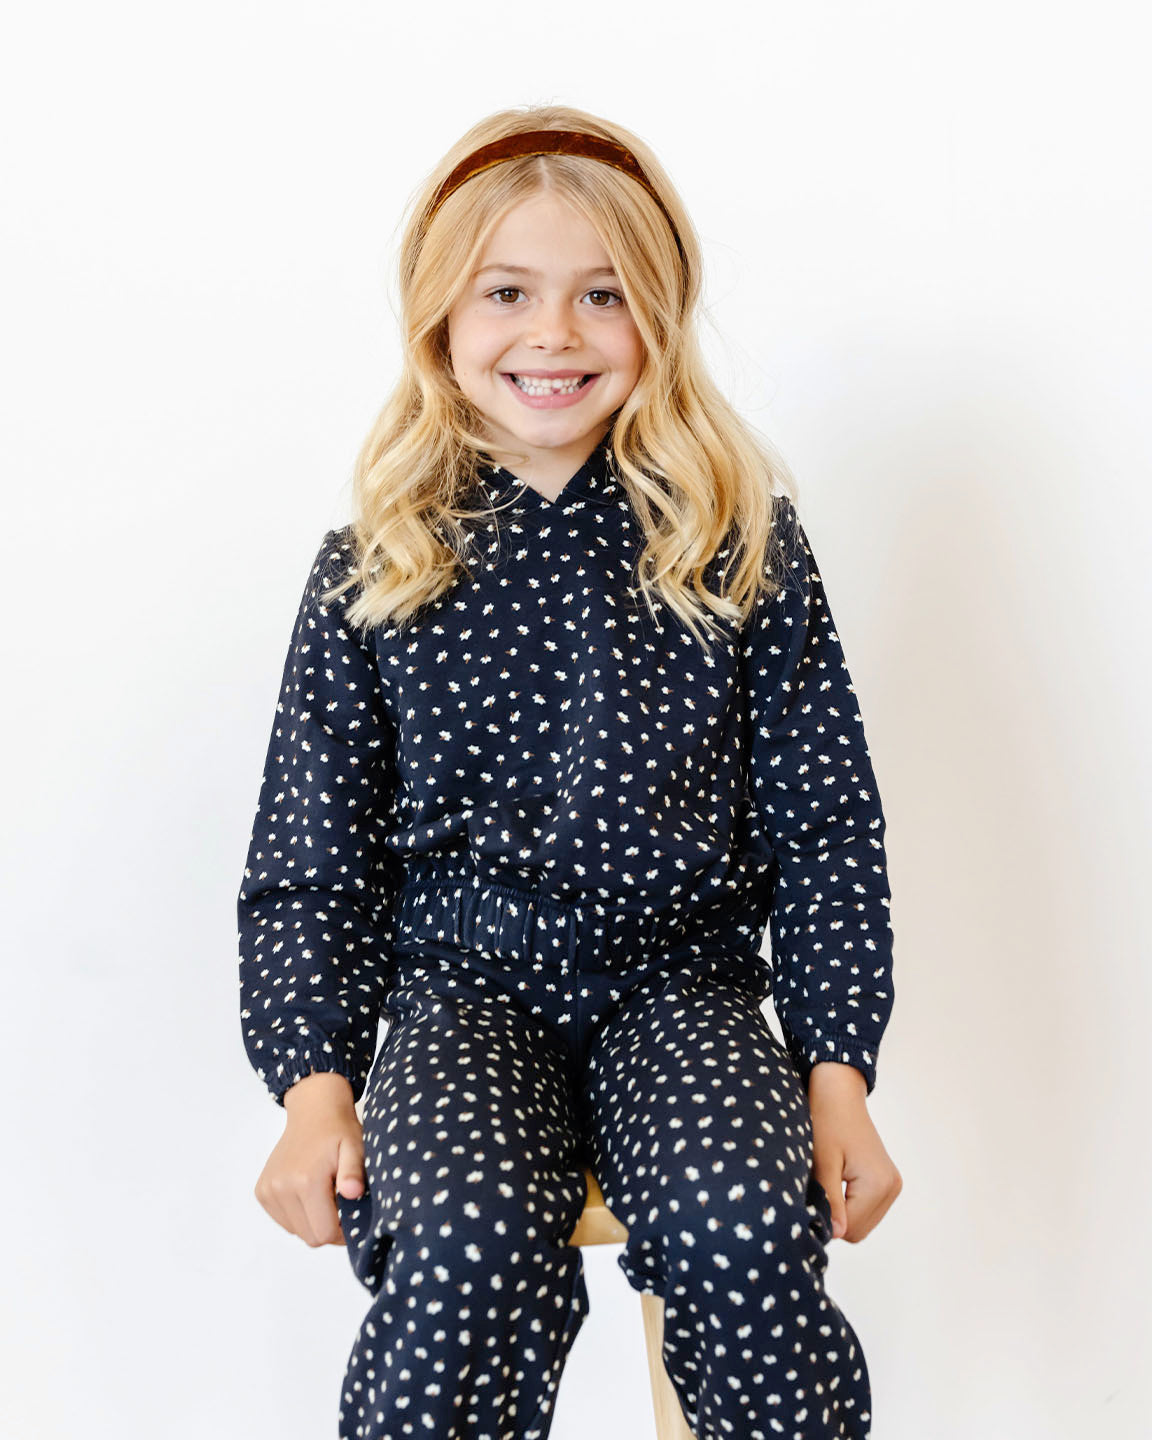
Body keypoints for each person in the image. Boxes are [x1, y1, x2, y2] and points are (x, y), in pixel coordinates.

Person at [237, 104, 902, 1440]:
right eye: (508, 293)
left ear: (658, 316)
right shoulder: (376, 567)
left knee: (742, 1223)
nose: (554, 333)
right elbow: (311, 859)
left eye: (603, 295)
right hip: (466, 998)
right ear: (440, 319)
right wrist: (314, 1084)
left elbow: (827, 825)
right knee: (461, 1246)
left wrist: (839, 1070)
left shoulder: (738, 545)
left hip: (684, 987)